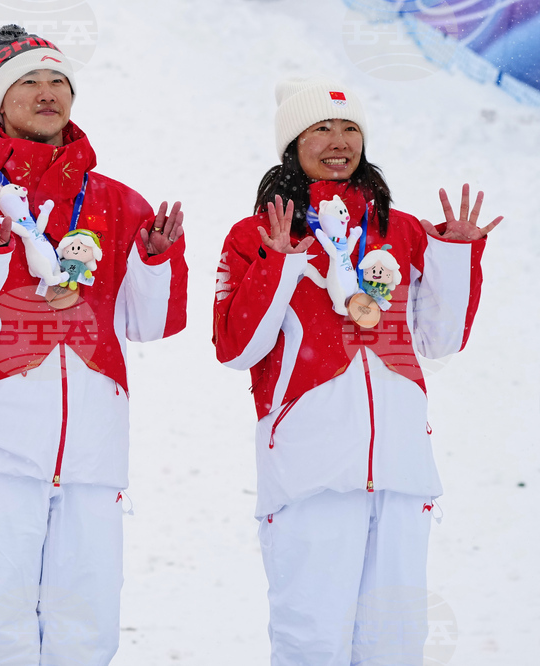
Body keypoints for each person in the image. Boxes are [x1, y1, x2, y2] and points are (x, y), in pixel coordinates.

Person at [0, 25, 187, 665]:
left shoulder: (118, 202)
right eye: (28, 81)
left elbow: (152, 324)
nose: (47, 92)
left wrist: (154, 261)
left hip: (93, 451)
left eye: (58, 80)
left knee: (86, 627)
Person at [212, 77, 502, 665]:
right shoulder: (257, 235)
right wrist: (277, 264)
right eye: (321, 128)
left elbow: (441, 340)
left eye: (350, 128)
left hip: (400, 468)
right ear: (291, 142)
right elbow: (236, 347)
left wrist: (456, 256)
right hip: (309, 468)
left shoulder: (404, 231)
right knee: (311, 640)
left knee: (395, 644)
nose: (339, 141)